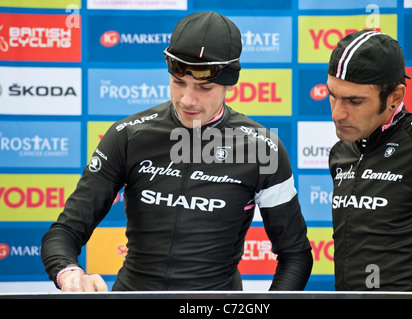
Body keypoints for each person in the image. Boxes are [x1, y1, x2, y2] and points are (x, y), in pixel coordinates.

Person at [41, 11, 313, 292]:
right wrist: (69, 273)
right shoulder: (129, 135)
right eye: (178, 82)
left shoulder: (260, 148)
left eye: (204, 87)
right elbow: (65, 231)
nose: (187, 99)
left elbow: (295, 254)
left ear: (230, 85)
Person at [327, 30, 412, 299]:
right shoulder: (340, 152)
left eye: (355, 101)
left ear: (395, 96)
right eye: (333, 95)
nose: (337, 113)